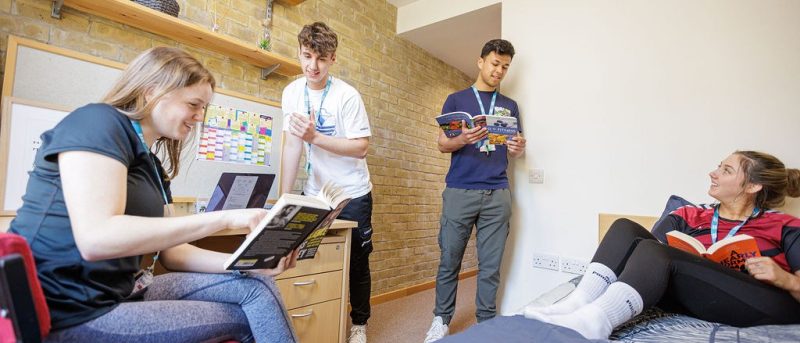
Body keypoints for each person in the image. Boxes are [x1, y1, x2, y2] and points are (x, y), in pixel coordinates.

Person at [8, 47, 300, 342]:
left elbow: (175, 253)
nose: (200, 117)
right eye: (193, 104)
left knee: (256, 287)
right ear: (151, 92)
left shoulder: (152, 165)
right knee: (246, 318)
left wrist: (248, 264)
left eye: (204, 108)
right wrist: (225, 219)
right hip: (71, 308)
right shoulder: (97, 122)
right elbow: (97, 238)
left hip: (122, 291)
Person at [524, 151, 800, 339]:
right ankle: (578, 303)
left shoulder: (784, 226)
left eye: (725, 170)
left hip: (760, 304)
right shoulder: (691, 214)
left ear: (753, 186)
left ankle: (596, 322)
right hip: (692, 297)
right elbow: (643, 253)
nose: (713, 173)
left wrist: (785, 279)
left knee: (655, 251)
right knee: (624, 228)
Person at [424, 39, 527, 343]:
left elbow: (515, 151)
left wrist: (518, 147)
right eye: (495, 64)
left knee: (491, 266)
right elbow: (443, 145)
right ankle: (441, 320)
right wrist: (463, 138)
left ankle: (486, 323)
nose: (499, 71)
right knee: (449, 261)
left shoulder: (510, 106)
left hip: (497, 193)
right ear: (481, 62)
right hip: (460, 190)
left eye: (505, 67)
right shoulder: (455, 100)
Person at [280, 22, 374, 343]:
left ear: (332, 59)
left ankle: (359, 324)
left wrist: (315, 137)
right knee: (311, 255)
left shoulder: (347, 95)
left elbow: (361, 146)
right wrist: (284, 198)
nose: (312, 66)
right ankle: (320, 318)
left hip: (352, 193)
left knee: (357, 262)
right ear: (300, 52)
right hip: (316, 192)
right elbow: (292, 145)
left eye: (321, 59)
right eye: (307, 56)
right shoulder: (291, 92)